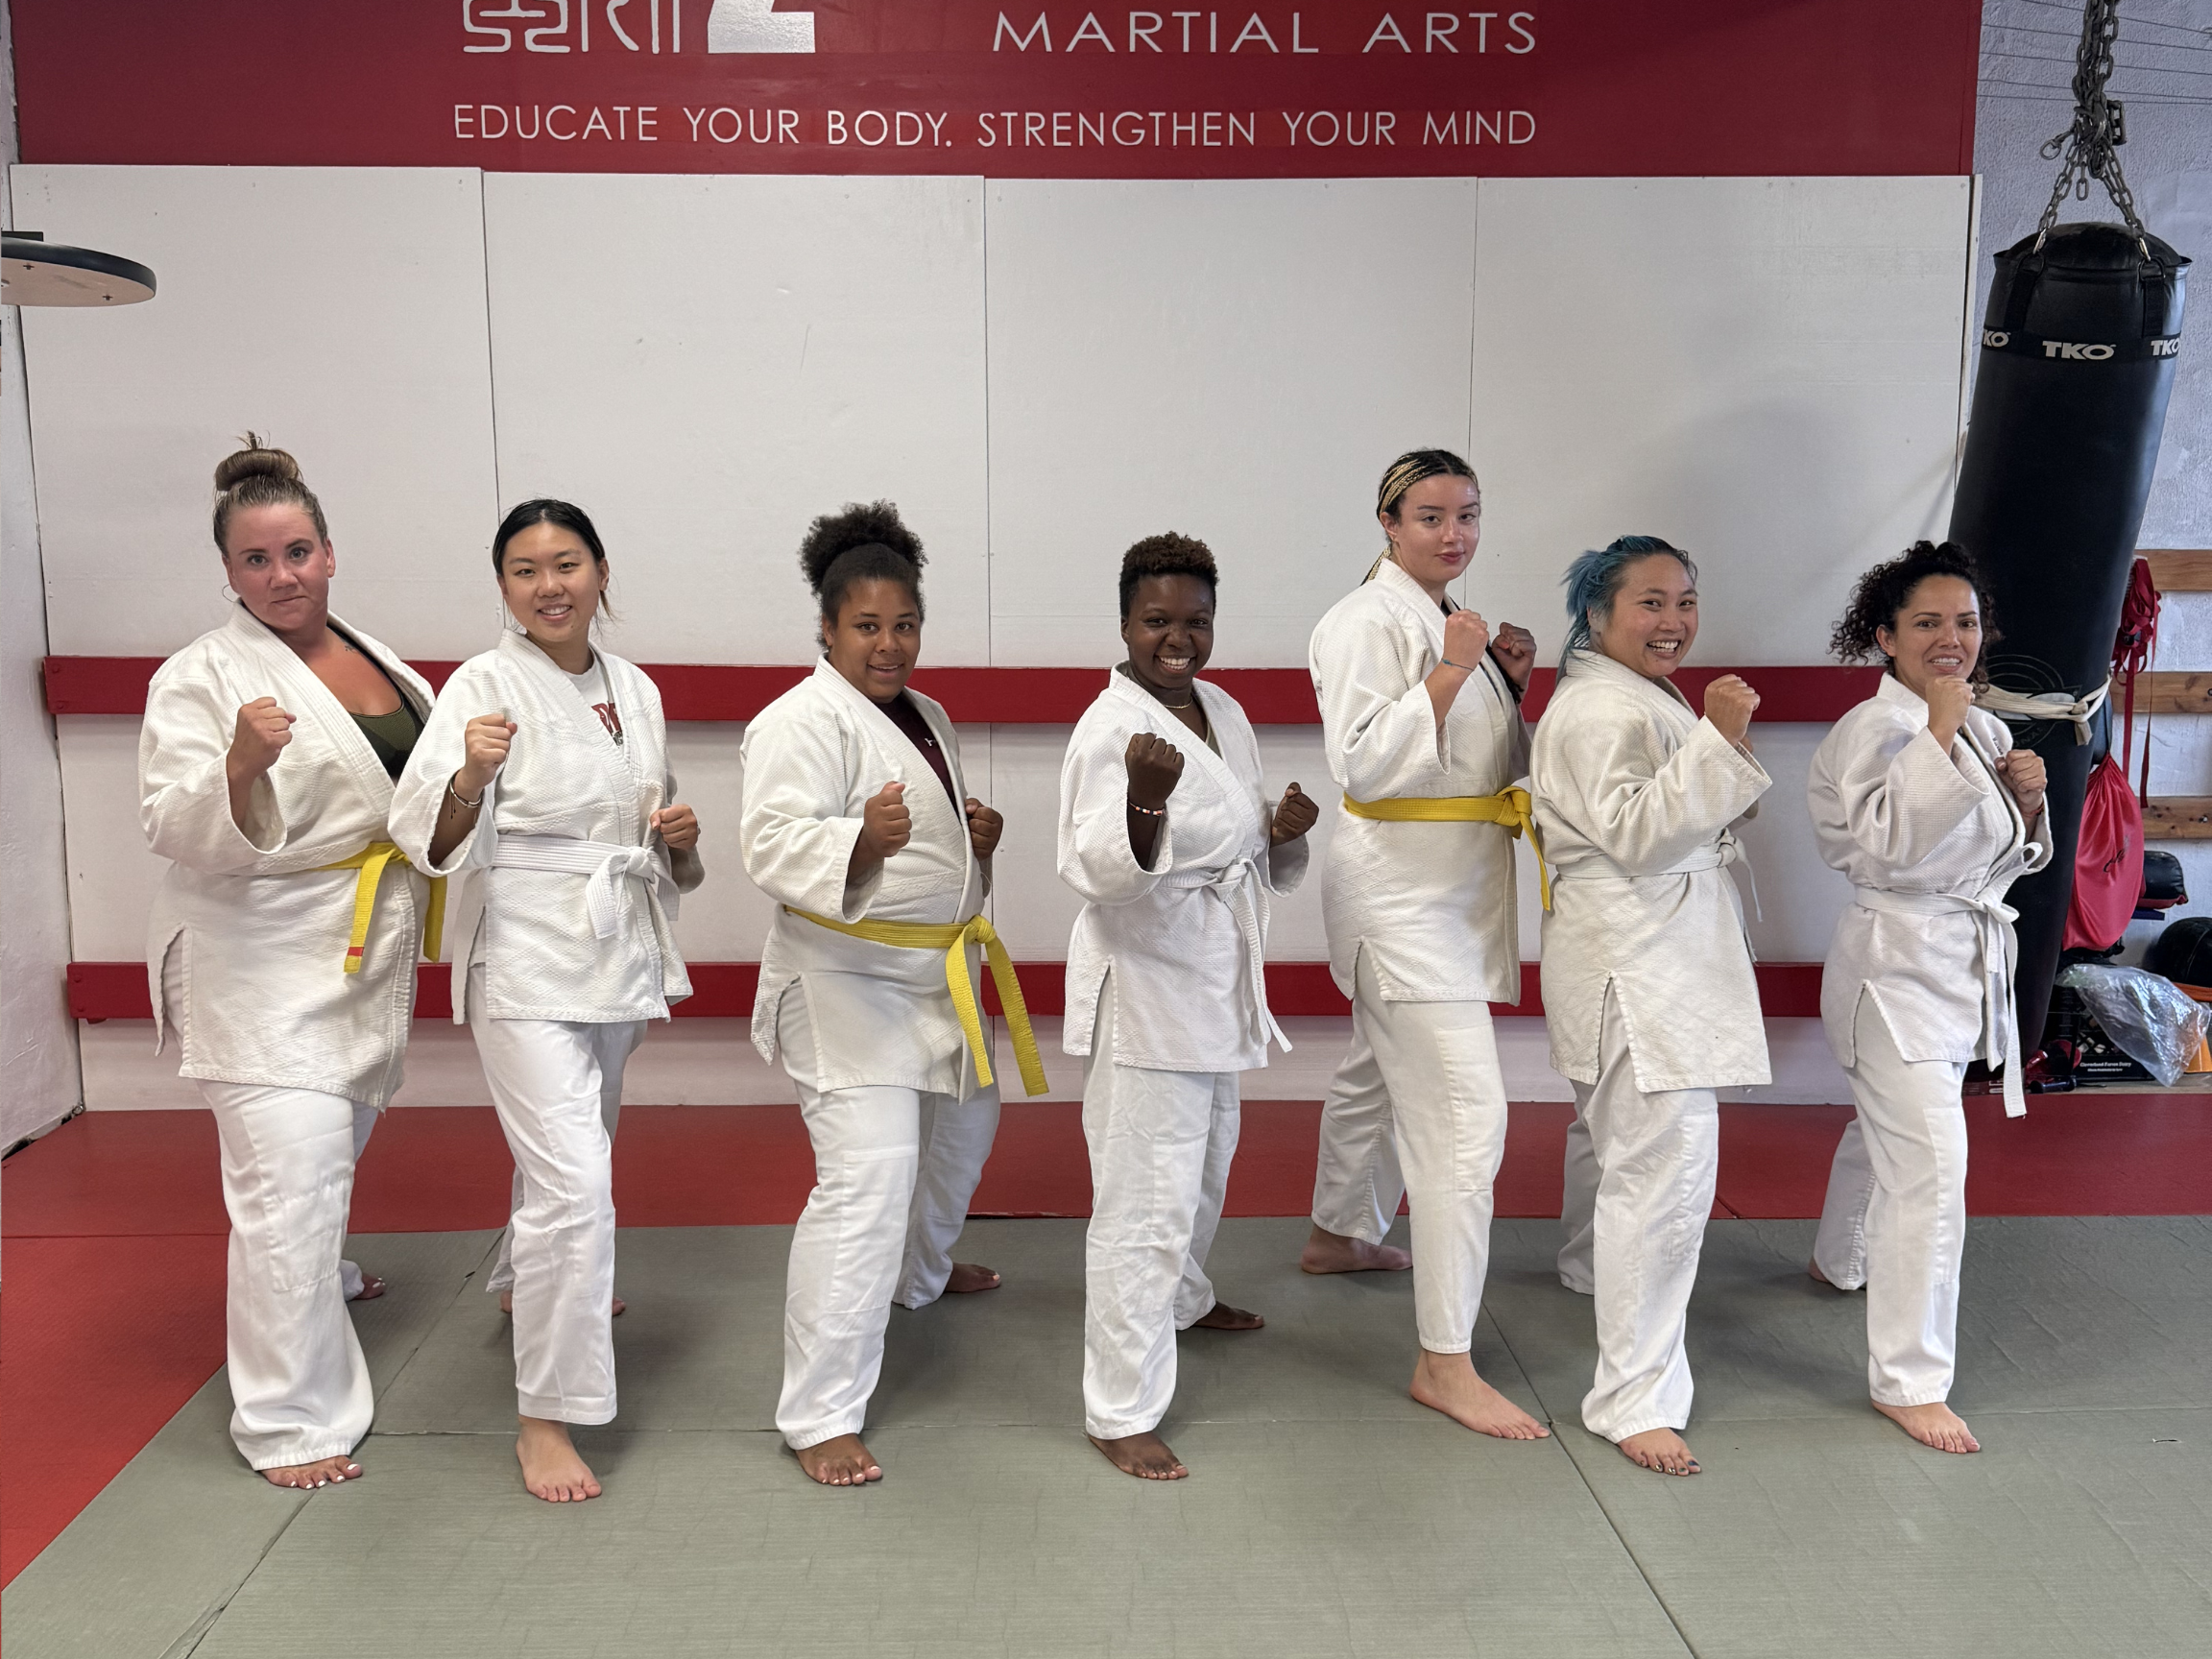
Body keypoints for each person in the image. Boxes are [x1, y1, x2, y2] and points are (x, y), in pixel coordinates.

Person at [139, 438, 439, 1488]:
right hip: (254, 960)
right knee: (287, 1186)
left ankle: (321, 1277)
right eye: (256, 561)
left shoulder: (378, 654)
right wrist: (238, 765)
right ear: (228, 573)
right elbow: (168, 822)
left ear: (329, 553)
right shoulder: (200, 676)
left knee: (323, 1159)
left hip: (353, 948)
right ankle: (288, 1421)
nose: (282, 576)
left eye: (297, 552)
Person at [392, 499, 702, 1503]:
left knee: (572, 1152)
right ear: (503, 589)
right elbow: (424, 841)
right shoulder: (481, 685)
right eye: (525, 570)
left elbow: (653, 840)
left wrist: (681, 843)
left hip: (615, 951)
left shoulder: (637, 689)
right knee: (576, 1182)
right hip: (524, 956)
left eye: (566, 563)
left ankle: (527, 1284)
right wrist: (471, 777)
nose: (549, 585)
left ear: (602, 572)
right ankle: (546, 1419)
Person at [738, 501, 1046, 1488]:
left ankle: (918, 1274)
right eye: (866, 627)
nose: (888, 644)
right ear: (827, 629)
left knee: (964, 1131)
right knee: (866, 1183)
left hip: (933, 973)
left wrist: (971, 844)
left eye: (904, 625)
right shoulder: (795, 721)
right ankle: (820, 1413)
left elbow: (927, 837)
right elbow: (774, 846)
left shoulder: (929, 715)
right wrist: (858, 842)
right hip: (844, 984)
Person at [1301, 449, 1549, 1440]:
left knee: (1376, 1070)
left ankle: (1338, 1230)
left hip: (1439, 891)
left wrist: (1507, 683)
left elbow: (1476, 755)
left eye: (1468, 515)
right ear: (1388, 523)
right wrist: (1455, 669)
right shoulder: (1364, 622)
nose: (1453, 534)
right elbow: (1365, 760)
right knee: (1462, 1121)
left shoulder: (1454, 622)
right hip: (1405, 902)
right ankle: (1445, 1360)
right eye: (1431, 516)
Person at [1059, 534, 1316, 1479]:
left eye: (1195, 620)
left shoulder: (1225, 709)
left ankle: (1185, 1299)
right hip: (1150, 985)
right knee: (1143, 1201)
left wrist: (1281, 836)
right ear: (1125, 624)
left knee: (1205, 1168)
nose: (1179, 638)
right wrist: (1142, 803)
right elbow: (1096, 872)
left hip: (1213, 975)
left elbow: (1249, 837)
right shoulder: (1107, 731)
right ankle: (1118, 1406)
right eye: (1158, 620)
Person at [1531, 535, 1769, 1476]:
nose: (1674, 622)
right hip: (1640, 960)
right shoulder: (1597, 708)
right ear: (1598, 613)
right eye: (1651, 604)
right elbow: (1634, 832)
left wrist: (1715, 744)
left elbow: (1692, 808)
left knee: (1628, 1161)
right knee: (1662, 1178)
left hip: (1652, 953)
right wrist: (1715, 739)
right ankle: (1631, 1397)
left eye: (1685, 601)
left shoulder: (1635, 694)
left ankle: (1600, 1289)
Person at [1806, 541, 2048, 1455]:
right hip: (1892, 968)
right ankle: (1911, 1380)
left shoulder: (1980, 726)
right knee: (1932, 1172)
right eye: (1928, 624)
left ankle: (1840, 1262)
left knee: (1886, 1134)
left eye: (1967, 622)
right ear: (1886, 637)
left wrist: (2029, 805)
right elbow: (1891, 851)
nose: (1953, 639)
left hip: (1955, 964)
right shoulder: (1876, 732)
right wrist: (1941, 733)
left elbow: (2004, 864)